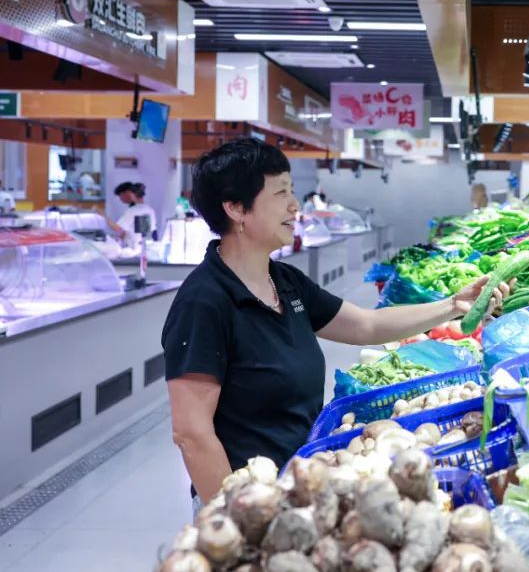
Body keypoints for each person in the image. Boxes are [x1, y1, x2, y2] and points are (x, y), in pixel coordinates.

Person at [163, 138, 509, 509]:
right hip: (251, 503)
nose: (295, 205)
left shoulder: (284, 281)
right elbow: (192, 433)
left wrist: (453, 305)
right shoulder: (204, 302)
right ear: (235, 208)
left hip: (299, 486)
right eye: (281, 193)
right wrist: (236, 519)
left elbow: (366, 326)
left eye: (292, 191)